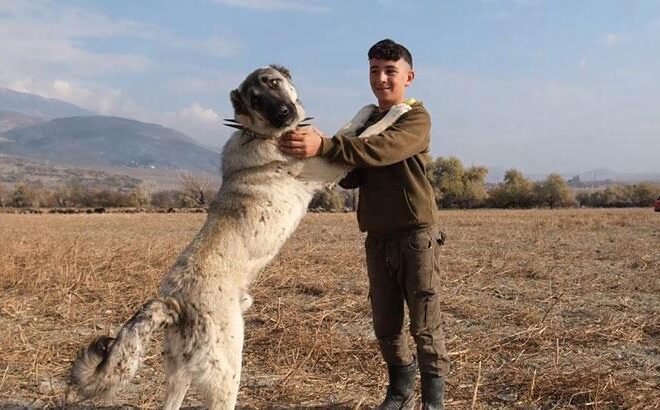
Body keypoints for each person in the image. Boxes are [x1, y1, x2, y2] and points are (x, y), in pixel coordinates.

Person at [279, 38, 449, 410]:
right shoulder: (365, 121)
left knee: (424, 326)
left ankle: (433, 403)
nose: (382, 79)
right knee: (386, 326)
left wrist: (325, 147)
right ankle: (399, 392)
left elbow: (382, 151)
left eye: (390, 71)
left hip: (414, 235)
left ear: (409, 76)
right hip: (377, 237)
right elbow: (353, 174)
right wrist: (324, 160)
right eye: (375, 71)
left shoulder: (416, 118)